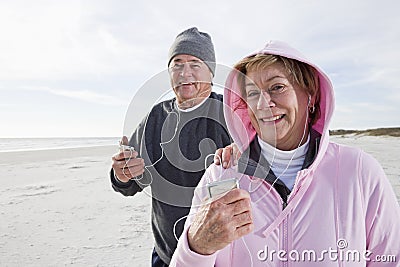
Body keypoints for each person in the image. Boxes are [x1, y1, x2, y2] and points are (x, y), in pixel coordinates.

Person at [170, 40, 400, 266]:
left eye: (277, 87)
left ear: (310, 95)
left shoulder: (359, 171)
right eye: (251, 93)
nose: (263, 103)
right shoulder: (221, 176)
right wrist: (197, 247)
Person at [110, 27, 231, 266]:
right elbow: (129, 185)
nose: (185, 73)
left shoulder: (231, 115)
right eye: (177, 64)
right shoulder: (155, 118)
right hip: (167, 255)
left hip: (221, 257)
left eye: (195, 64)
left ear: (211, 72)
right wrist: (122, 174)